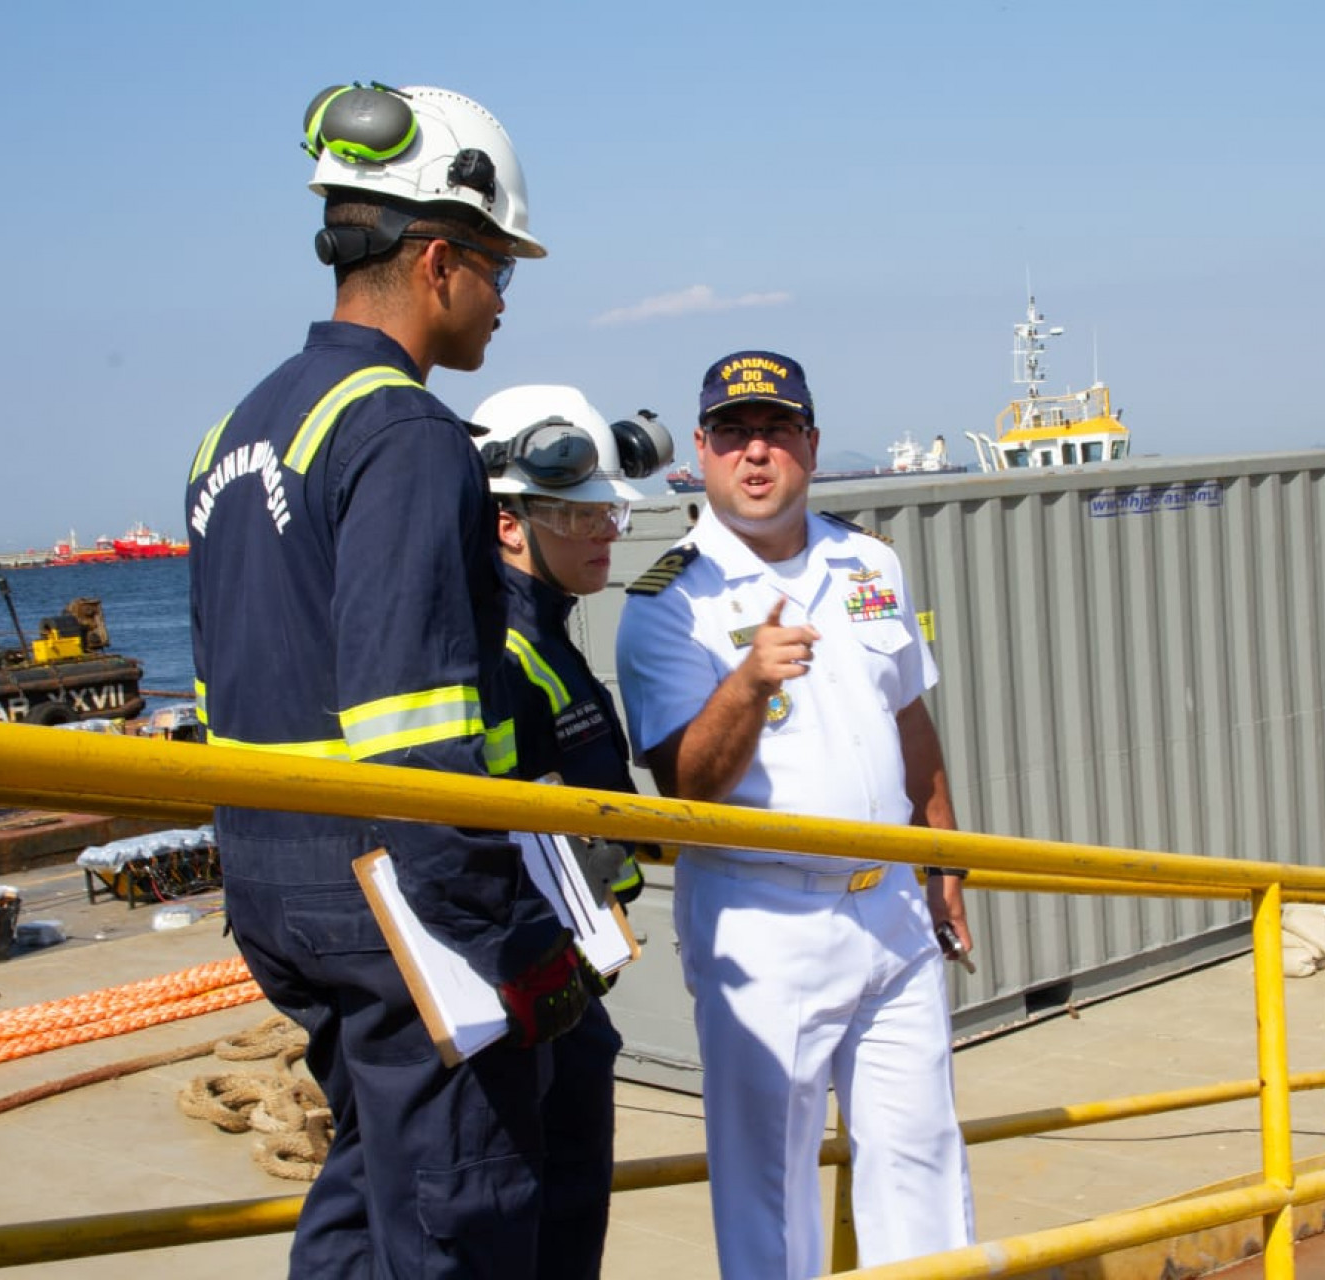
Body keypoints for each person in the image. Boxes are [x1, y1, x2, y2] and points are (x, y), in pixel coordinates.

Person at [186, 82, 612, 1279]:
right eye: (499, 270)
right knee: (461, 1213)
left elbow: (237, 679)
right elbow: (417, 737)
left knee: (365, 1189)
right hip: (395, 904)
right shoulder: (407, 433)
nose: (503, 301)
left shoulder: (235, 433)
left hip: (276, 892)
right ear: (437, 260)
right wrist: (509, 941)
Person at [615, 349, 977, 1277]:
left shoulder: (870, 560)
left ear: (811, 444)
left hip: (892, 907)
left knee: (923, 1158)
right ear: (698, 452)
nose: (757, 452)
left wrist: (944, 860)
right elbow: (686, 786)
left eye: (777, 429)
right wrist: (746, 682)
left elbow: (909, 715)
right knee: (771, 1190)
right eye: (734, 434)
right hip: (763, 924)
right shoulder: (669, 603)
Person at [473, 383, 673, 901]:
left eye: (609, 511)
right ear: (508, 525)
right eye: (582, 515)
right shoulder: (498, 661)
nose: (607, 532)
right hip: (553, 943)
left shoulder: (541, 634)